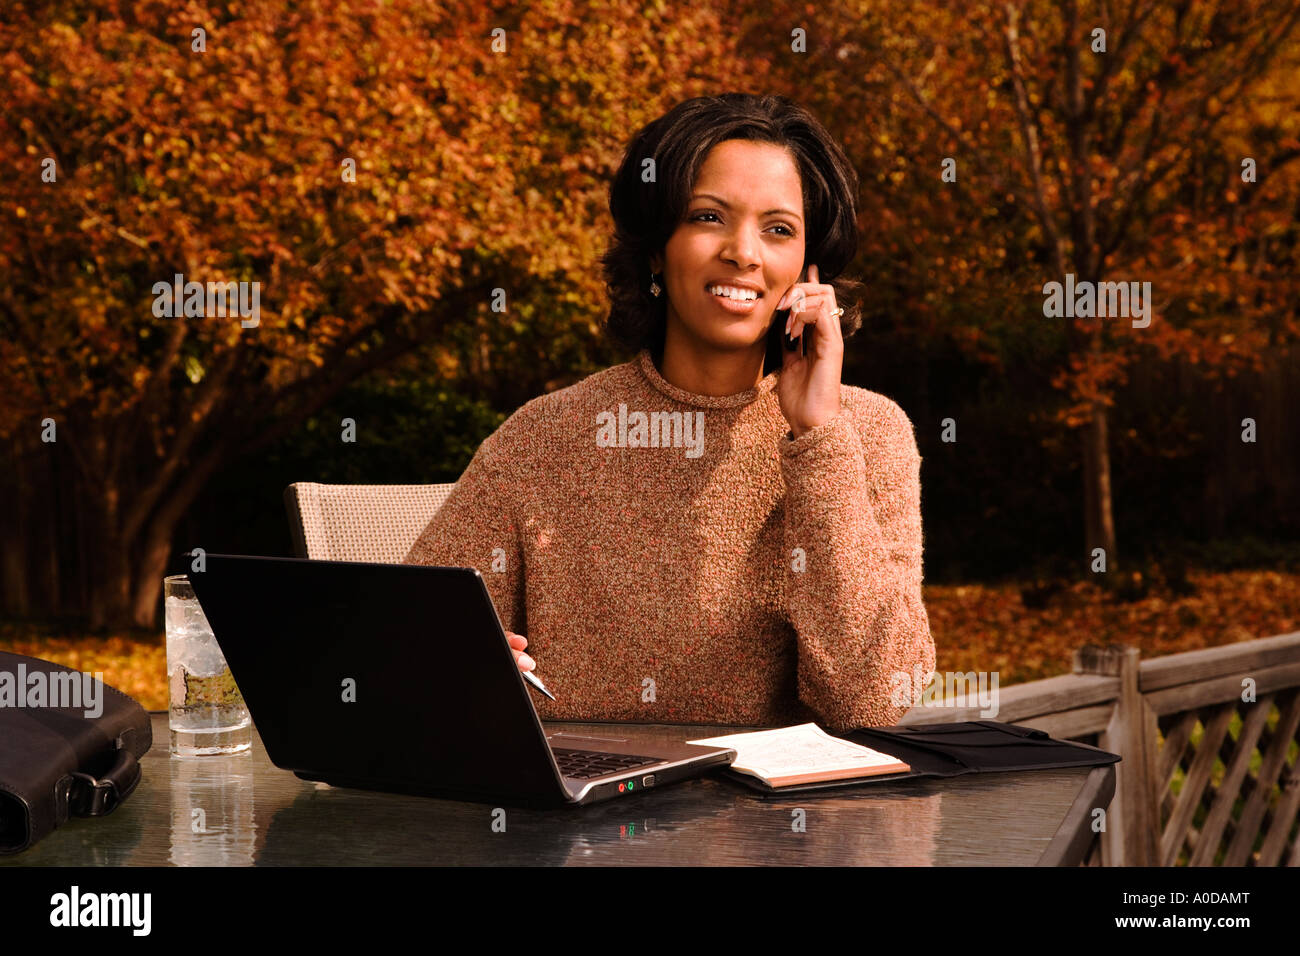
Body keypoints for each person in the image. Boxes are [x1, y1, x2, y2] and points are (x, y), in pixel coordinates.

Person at [404, 92, 935, 731]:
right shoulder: (544, 437)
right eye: (709, 216)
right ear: (656, 251)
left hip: (779, 825)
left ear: (806, 269)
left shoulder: (866, 434)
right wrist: (465, 670)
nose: (744, 252)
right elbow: (409, 646)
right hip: (580, 818)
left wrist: (817, 436)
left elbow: (873, 699)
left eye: (778, 229)